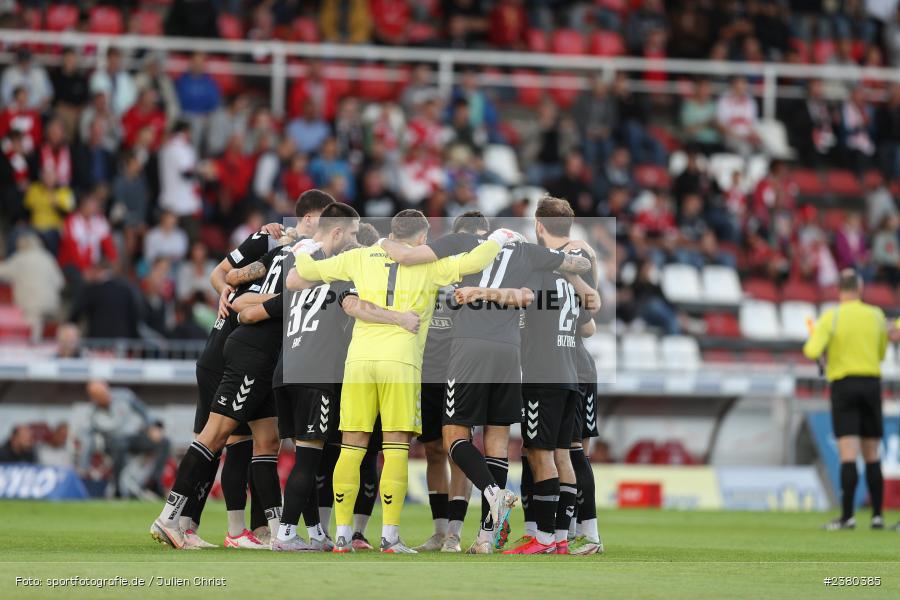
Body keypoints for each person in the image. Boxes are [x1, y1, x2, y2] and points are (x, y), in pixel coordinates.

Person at [290, 209, 519, 553]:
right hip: (401, 360)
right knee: (395, 448)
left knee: (352, 446)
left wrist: (303, 247)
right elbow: (475, 261)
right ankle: (390, 537)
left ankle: (340, 535)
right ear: (423, 239)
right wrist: (500, 238)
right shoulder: (428, 264)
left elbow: (306, 270)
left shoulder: (359, 256)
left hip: (359, 361)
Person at [381, 211, 591, 553]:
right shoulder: (525, 250)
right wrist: (580, 253)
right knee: (496, 440)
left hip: (469, 349)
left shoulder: (463, 242)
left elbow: (405, 255)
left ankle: (495, 494)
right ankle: (485, 538)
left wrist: (381, 241)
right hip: (510, 352)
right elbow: (572, 269)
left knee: (454, 437)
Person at [240, 206, 416, 552]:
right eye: (351, 236)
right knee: (310, 460)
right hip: (316, 375)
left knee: (306, 456)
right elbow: (355, 308)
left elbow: (251, 311)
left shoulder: (300, 275)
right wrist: (398, 319)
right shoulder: (345, 279)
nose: (353, 243)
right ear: (338, 234)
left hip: (285, 372)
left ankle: (315, 531)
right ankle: (287, 533)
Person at [506, 197, 600, 555]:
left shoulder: (536, 268)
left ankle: (545, 538)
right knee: (566, 453)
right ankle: (562, 536)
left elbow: (521, 303)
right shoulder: (574, 270)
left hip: (543, 373)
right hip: (570, 371)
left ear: (538, 224)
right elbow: (589, 322)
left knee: (542, 453)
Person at [803, 269, 887, 531]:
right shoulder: (876, 315)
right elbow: (882, 352)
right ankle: (876, 517)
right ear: (860, 289)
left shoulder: (833, 316)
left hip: (844, 384)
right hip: (871, 383)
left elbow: (811, 350)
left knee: (848, 453)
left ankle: (848, 517)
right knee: (872, 453)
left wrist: (824, 349)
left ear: (839, 290)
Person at [82, 381, 170, 498]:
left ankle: (153, 482)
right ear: (93, 398)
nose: (104, 396)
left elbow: (145, 413)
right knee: (120, 444)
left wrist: (153, 428)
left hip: (134, 437)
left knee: (164, 442)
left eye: (104, 392)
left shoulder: (125, 396)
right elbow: (87, 438)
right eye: (99, 395)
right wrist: (84, 465)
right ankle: (118, 489)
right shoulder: (92, 413)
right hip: (112, 443)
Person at [0, 231, 64, 340]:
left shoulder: (20, 258)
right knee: (44, 328)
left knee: (34, 333)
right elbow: (60, 282)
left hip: (31, 304)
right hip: (51, 303)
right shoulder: (48, 257)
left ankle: (34, 351)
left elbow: (3, 272)